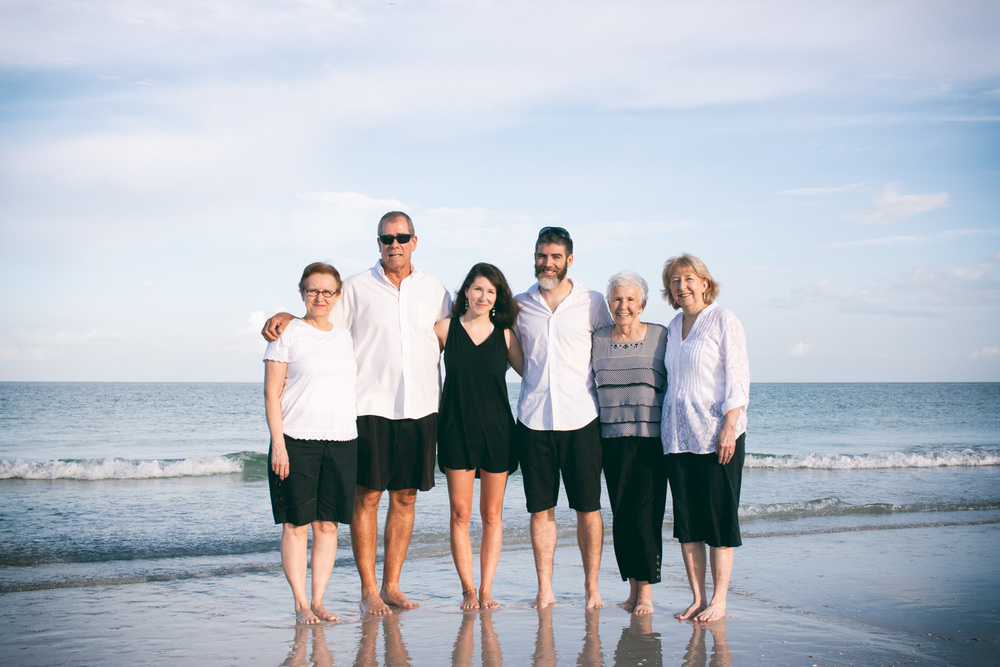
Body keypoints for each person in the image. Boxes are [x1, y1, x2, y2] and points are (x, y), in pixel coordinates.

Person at [263, 212, 451, 615]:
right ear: (378, 243)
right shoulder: (355, 286)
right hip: (369, 408)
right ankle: (368, 590)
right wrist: (287, 318)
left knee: (406, 497)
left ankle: (392, 586)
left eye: (402, 237)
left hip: (420, 408)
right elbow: (321, 319)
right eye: (387, 238)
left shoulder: (436, 290)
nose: (394, 244)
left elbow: (454, 336)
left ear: (415, 241)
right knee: (366, 498)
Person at [513, 226, 613, 609]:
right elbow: (513, 352)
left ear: (569, 260)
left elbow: (609, 348)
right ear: (535, 257)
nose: (547, 263)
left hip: (583, 419)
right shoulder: (521, 305)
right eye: (542, 255)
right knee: (541, 510)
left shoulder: (592, 302)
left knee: (588, 508)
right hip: (534, 421)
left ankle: (592, 589)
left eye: (555, 256)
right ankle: (545, 589)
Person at [263, 262, 358, 625]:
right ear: (302, 292)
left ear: (337, 296)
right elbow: (272, 393)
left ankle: (318, 600)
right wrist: (279, 445)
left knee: (328, 526)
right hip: (295, 440)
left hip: (342, 440)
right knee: (296, 525)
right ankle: (300, 603)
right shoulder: (287, 333)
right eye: (312, 290)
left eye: (327, 291)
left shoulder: (347, 335)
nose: (320, 297)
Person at [660, 253, 749, 622]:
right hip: (677, 439)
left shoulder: (723, 319)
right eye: (675, 281)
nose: (682, 286)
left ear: (705, 283)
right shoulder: (672, 326)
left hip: (716, 437)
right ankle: (697, 598)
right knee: (688, 522)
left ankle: (720, 599)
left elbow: (738, 377)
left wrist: (730, 426)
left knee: (718, 519)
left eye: (689, 279)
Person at [434, 262, 525, 610]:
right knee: (460, 512)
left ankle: (486, 589)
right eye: (477, 289)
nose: (483, 296)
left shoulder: (505, 336)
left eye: (491, 291)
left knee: (492, 514)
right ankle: (468, 590)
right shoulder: (444, 329)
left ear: (497, 297)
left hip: (498, 432)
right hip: (456, 429)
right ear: (466, 292)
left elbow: (533, 375)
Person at [591, 271, 668, 615]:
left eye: (630, 299)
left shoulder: (660, 336)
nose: (623, 306)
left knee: (646, 515)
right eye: (617, 299)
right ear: (609, 304)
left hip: (651, 441)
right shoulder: (598, 338)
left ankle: (647, 592)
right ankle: (633, 590)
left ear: (643, 304)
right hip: (611, 439)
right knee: (622, 515)